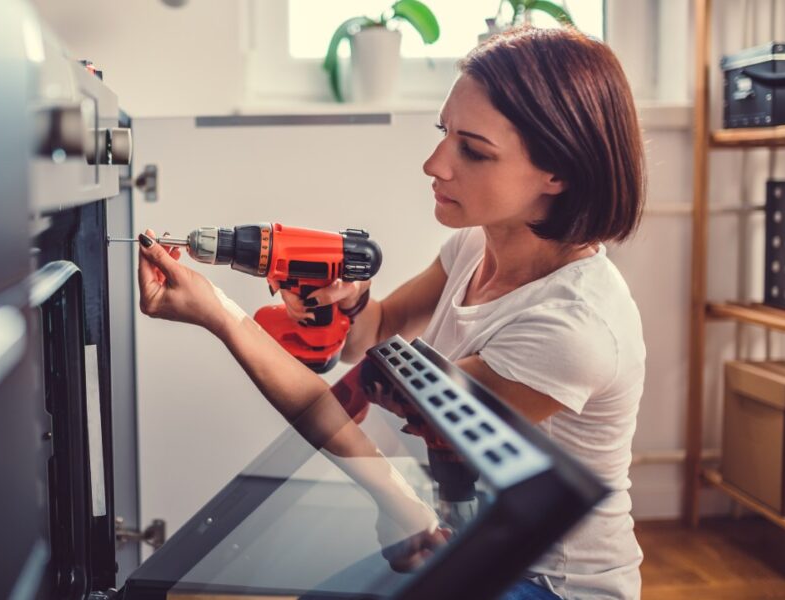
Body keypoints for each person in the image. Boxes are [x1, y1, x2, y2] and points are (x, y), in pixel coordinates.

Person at [137, 25, 646, 600]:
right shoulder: (476, 246)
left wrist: (220, 315)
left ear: (559, 172)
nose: (434, 164)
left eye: (472, 150)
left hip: (545, 579)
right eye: (443, 134)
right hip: (463, 531)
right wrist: (350, 306)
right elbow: (371, 337)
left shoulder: (571, 328)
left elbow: (349, 419)